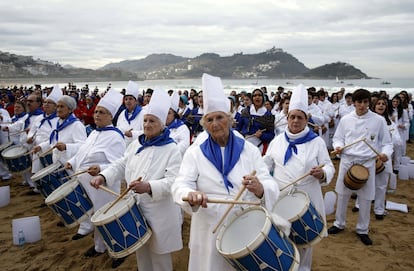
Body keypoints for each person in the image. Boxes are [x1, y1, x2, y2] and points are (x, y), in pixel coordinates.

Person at [171, 73, 279, 271]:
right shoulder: (195, 152)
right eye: (209, 119)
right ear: (204, 124)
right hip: (208, 225)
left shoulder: (249, 149)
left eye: (219, 117)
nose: (215, 123)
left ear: (229, 119)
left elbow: (270, 183)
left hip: (244, 223)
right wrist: (189, 194)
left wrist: (261, 188)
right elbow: (180, 184)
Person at [90, 88, 183, 271]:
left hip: (160, 212)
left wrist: (149, 186)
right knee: (142, 254)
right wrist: (103, 175)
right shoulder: (137, 143)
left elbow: (174, 181)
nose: (147, 124)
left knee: (160, 256)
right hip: (136, 209)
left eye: (152, 121)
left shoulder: (172, 149)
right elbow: (121, 164)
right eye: (145, 120)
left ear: (163, 123)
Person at [263, 84, 335, 271]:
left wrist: (322, 173)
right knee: (282, 239)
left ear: (306, 119)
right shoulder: (277, 141)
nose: (295, 121)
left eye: (300, 117)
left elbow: (329, 166)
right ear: (287, 118)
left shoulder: (316, 142)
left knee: (304, 243)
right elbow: (266, 164)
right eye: (292, 117)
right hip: (280, 198)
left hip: (306, 200)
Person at [65, 89, 127, 268]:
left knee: (107, 217)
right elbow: (82, 153)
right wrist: (71, 161)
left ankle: (119, 250)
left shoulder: (115, 137)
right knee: (95, 217)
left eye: (102, 112)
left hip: (104, 187)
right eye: (97, 111)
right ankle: (100, 247)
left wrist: (101, 169)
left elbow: (119, 165)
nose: (97, 114)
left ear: (111, 117)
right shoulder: (93, 132)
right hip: (87, 184)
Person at [328, 89, 393, 246]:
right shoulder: (346, 119)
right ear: (354, 102)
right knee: (342, 194)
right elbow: (338, 138)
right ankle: (339, 223)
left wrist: (385, 154)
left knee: (366, 197)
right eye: (359, 102)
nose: (362, 105)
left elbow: (387, 143)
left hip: (367, 162)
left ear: (368, 102)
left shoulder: (378, 120)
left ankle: (363, 229)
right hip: (348, 160)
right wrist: (338, 146)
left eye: (365, 102)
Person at [33, 95, 87, 167]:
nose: (58, 109)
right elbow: (54, 142)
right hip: (58, 164)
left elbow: (83, 146)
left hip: (70, 166)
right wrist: (41, 146)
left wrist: (66, 147)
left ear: (70, 109)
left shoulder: (77, 125)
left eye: (62, 107)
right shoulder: (58, 123)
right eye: (57, 106)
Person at [28, 85, 61, 175]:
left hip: (50, 151)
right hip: (37, 149)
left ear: (55, 106)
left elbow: (55, 138)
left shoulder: (59, 120)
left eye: (49, 103)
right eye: (45, 102)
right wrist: (30, 137)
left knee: (51, 174)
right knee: (38, 174)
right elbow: (33, 130)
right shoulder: (39, 118)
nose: (46, 104)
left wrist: (42, 146)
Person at [237, 88, 275, 154]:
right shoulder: (245, 112)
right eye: (255, 95)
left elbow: (271, 135)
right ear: (252, 98)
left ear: (263, 98)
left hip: (260, 147)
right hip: (244, 144)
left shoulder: (268, 115)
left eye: (259, 95)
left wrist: (262, 135)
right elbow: (238, 128)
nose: (257, 97)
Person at [116, 80, 144, 147]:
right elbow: (118, 127)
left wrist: (133, 134)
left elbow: (147, 132)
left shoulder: (143, 114)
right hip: (122, 146)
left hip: (137, 146)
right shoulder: (122, 113)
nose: (128, 101)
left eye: (130, 99)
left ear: (136, 101)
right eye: (126, 99)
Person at [167, 91, 190, 156]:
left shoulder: (183, 128)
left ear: (174, 115)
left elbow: (183, 147)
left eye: (169, 113)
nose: (165, 116)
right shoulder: (161, 127)